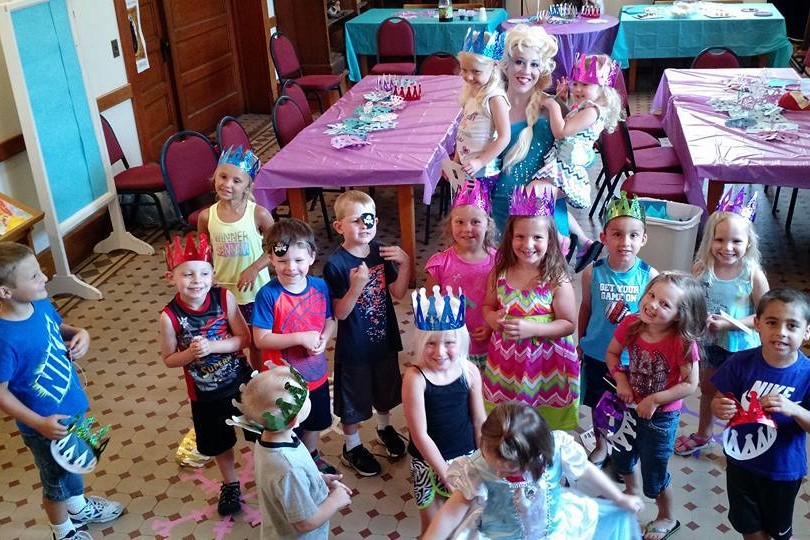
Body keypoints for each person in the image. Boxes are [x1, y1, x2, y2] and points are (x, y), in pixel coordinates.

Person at [0, 242, 124, 540]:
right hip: (45, 426)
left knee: (74, 463)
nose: (44, 278)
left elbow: (59, 327)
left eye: (40, 271)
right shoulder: (4, 339)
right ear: (5, 292)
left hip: (72, 407)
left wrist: (81, 334)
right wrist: (38, 423)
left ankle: (78, 507)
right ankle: (63, 531)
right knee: (55, 482)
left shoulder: (40, 303)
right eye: (33, 276)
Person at [423, 401, 645, 539]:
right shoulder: (479, 466)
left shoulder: (558, 448)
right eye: (494, 465)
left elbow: (586, 470)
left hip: (554, 531)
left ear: (535, 457)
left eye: (508, 469)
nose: (499, 475)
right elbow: (452, 512)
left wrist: (618, 497)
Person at [605, 272, 707, 540]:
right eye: (652, 295)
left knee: (655, 469)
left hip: (661, 418)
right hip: (627, 407)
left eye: (665, 304)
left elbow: (690, 384)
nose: (652, 305)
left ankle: (666, 516)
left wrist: (654, 400)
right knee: (622, 456)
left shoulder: (682, 342)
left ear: (679, 315)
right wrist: (622, 381)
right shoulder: (631, 323)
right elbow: (612, 353)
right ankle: (630, 493)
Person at [157, 232, 253, 516]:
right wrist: (190, 354)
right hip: (204, 394)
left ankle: (269, 473)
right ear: (170, 278)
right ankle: (230, 483)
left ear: (213, 275)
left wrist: (213, 346)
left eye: (203, 273)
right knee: (219, 442)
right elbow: (169, 359)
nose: (197, 280)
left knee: (259, 432)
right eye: (187, 274)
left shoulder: (224, 298)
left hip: (240, 382)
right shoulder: (168, 316)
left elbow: (243, 339)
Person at [675, 187, 769, 457]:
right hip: (709, 344)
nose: (727, 248)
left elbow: (765, 317)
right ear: (710, 240)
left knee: (735, 397)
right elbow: (693, 301)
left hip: (740, 348)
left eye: (736, 242)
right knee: (708, 390)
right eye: (720, 240)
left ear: (748, 243)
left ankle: (738, 440)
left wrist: (729, 323)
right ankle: (704, 434)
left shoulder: (753, 275)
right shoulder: (701, 269)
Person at [323, 190, 411, 476]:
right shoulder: (335, 265)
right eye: (356, 220)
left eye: (369, 218)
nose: (365, 225)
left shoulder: (380, 251)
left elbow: (398, 294)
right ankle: (352, 445)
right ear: (339, 227)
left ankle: (385, 430)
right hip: (355, 347)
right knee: (354, 401)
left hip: (383, 340)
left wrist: (405, 263)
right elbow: (340, 313)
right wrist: (357, 286)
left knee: (385, 392)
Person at [711, 288, 810, 540]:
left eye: (792, 325)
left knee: (777, 533)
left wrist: (795, 409)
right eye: (772, 322)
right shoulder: (739, 362)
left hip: (782, 471)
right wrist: (719, 406)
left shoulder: (807, 374)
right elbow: (718, 399)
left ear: (806, 332)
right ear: (757, 324)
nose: (781, 332)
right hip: (740, 464)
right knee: (749, 528)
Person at [482, 186, 579, 430]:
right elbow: (487, 306)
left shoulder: (557, 278)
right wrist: (492, 318)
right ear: (510, 237)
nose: (528, 244)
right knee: (509, 422)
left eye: (537, 237)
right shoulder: (500, 273)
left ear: (550, 240)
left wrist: (532, 328)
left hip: (547, 365)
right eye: (520, 236)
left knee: (544, 425)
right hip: (506, 363)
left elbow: (568, 324)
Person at [252, 218, 337, 475]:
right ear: (270, 258)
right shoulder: (268, 295)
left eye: (298, 260)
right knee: (286, 426)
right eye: (282, 261)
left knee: (315, 421)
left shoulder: (320, 287)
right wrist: (300, 338)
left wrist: (324, 338)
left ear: (311, 256)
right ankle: (292, 464)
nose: (291, 268)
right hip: (282, 384)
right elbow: (261, 339)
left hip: (316, 377)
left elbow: (330, 320)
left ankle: (311, 456)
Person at [579, 192, 657, 467]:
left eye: (634, 235)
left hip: (631, 359)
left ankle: (624, 447)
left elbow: (655, 321)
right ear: (604, 237)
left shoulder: (650, 276)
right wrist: (581, 341)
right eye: (617, 234)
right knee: (597, 403)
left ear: (643, 239)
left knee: (627, 406)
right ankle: (600, 444)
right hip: (598, 353)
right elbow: (587, 308)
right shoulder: (592, 272)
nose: (625, 242)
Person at [402, 287, 486, 534]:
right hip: (428, 464)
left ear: (460, 341)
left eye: (449, 343)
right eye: (431, 343)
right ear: (420, 342)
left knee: (463, 524)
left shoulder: (469, 371)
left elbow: (479, 419)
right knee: (433, 527)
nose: (439, 352)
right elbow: (420, 435)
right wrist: (446, 474)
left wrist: (482, 459)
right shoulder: (414, 378)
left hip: (465, 458)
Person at [531, 52, 623, 271]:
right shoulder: (584, 107)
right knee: (547, 204)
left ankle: (562, 242)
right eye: (576, 83)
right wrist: (561, 102)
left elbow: (562, 131)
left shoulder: (592, 110)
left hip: (567, 169)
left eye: (587, 84)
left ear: (602, 87)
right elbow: (568, 121)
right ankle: (583, 242)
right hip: (561, 163)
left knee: (533, 196)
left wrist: (552, 106)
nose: (579, 89)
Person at [237, 366, 352, 539]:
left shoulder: (269, 439)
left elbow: (284, 486)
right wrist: (335, 500)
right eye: (307, 398)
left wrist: (317, 478)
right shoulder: (289, 469)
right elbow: (305, 522)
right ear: (294, 420)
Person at [198, 145, 274, 370]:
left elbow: (277, 247)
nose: (227, 184)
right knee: (228, 342)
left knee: (256, 343)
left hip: (254, 294)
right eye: (222, 176)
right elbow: (204, 254)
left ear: (247, 186)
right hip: (223, 294)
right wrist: (207, 275)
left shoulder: (258, 213)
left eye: (236, 181)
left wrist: (255, 267)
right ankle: (238, 380)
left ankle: (260, 379)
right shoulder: (206, 217)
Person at [425, 180, 497, 370]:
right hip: (451, 344)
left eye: (475, 222)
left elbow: (504, 299)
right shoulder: (440, 263)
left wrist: (491, 325)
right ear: (450, 224)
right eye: (460, 222)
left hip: (488, 342)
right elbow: (430, 303)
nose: (467, 229)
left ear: (488, 224)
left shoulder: (499, 261)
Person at [493, 24, 558, 233]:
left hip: (540, 213)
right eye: (519, 62)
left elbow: (579, 158)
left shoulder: (551, 108)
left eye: (534, 65)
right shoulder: (490, 105)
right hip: (495, 209)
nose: (526, 71)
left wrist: (548, 185)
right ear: (506, 64)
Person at [455, 29, 510, 190]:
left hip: (484, 171)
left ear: (493, 68)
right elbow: (464, 129)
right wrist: (457, 160)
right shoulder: (471, 92)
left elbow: (504, 137)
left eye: (476, 72)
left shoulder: (495, 97)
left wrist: (480, 161)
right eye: (464, 70)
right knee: (465, 211)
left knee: (477, 213)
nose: (469, 77)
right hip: (467, 168)